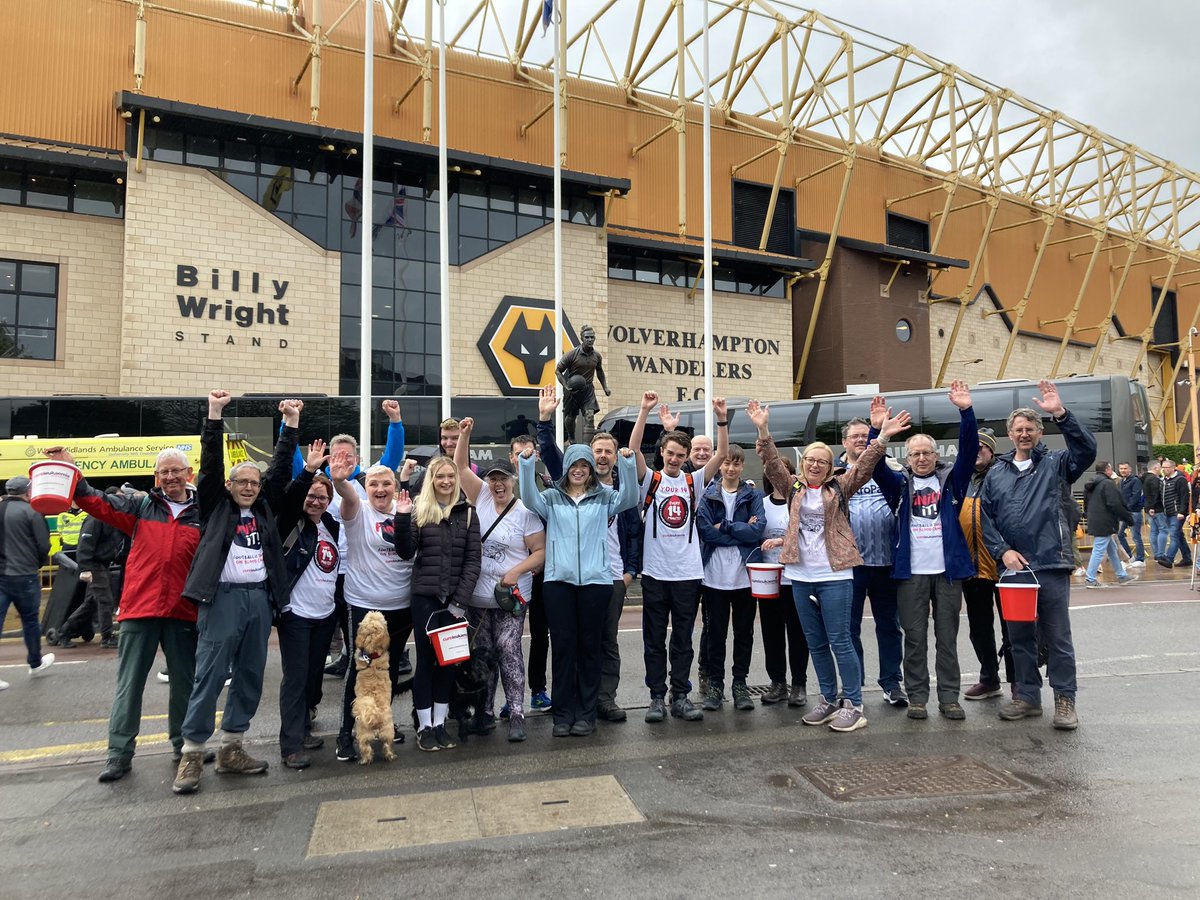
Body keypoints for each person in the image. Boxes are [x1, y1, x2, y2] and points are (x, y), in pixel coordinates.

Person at [749, 397, 910, 733]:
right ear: (803, 462)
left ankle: (853, 703)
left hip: (834, 574)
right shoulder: (792, 487)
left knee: (839, 639)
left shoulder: (841, 486)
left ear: (830, 466)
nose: (817, 465)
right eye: (811, 460)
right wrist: (763, 428)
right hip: (799, 574)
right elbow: (770, 462)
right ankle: (827, 698)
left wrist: (880, 438)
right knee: (816, 641)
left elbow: (865, 465)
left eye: (823, 461)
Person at [172, 393, 303, 795]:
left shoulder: (264, 508)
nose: (248, 487)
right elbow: (209, 462)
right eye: (241, 482)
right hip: (223, 598)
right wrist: (215, 415)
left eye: (253, 482)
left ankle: (232, 748)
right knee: (210, 676)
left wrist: (292, 424)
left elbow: (281, 470)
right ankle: (192, 754)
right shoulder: (215, 506)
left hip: (259, 600)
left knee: (249, 676)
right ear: (229, 486)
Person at [46, 446, 200, 782]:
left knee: (185, 685)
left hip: (184, 610)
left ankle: (184, 746)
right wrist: (70, 470)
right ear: (156, 478)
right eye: (164, 473)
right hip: (140, 608)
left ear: (189, 475)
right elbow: (93, 500)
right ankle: (118, 754)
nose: (170, 477)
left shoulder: (204, 512)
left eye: (176, 471)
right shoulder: (139, 506)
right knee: (129, 685)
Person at [980, 380, 1096, 731]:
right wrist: (1003, 552)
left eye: (1030, 428)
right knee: (1020, 638)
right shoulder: (996, 474)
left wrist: (1061, 412)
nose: (1024, 434)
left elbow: (1086, 450)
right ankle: (1028, 697)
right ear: (1009, 434)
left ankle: (1065, 700)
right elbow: (985, 518)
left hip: (1050, 564)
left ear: (1040, 431)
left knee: (1058, 638)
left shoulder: (1057, 463)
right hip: (1014, 570)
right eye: (1018, 429)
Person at [870, 380, 979, 721]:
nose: (920, 458)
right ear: (908, 457)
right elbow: (873, 465)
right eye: (914, 453)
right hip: (910, 574)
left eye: (926, 453)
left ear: (936, 456)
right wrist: (878, 432)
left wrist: (966, 411)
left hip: (947, 575)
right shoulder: (898, 485)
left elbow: (970, 448)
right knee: (914, 639)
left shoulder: (953, 481)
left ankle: (949, 698)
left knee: (947, 640)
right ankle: (917, 697)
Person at [518, 438, 639, 736]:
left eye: (585, 465)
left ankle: (586, 714)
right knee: (563, 649)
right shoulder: (551, 498)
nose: (580, 470)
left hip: (597, 584)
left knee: (589, 649)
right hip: (558, 583)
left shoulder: (606, 497)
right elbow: (528, 497)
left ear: (591, 470)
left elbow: (631, 498)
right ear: (567, 468)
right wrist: (525, 464)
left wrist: (626, 463)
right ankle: (563, 714)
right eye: (575, 464)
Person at [536, 385, 642, 723]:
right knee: (569, 645)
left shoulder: (612, 495)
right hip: (567, 579)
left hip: (609, 578)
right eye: (596, 450)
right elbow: (551, 457)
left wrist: (629, 573)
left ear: (613, 455)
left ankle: (601, 701)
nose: (601, 457)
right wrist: (544, 420)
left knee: (603, 645)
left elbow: (633, 525)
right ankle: (571, 707)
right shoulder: (559, 494)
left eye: (607, 451)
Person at [627, 391, 729, 724]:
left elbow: (722, 454)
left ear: (686, 457)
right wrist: (644, 411)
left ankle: (680, 695)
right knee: (654, 639)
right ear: (662, 453)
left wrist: (721, 420)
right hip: (656, 573)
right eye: (670, 453)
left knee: (683, 639)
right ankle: (656, 696)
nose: (674, 458)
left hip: (687, 573)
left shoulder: (693, 481)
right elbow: (633, 448)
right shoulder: (650, 480)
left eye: (680, 454)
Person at [454, 417, 546, 742]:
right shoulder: (479, 498)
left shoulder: (526, 512)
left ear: (512, 480)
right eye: (493, 479)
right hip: (479, 598)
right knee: (482, 654)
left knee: (508, 649)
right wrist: (465, 434)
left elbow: (540, 552)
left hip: (512, 598)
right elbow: (462, 467)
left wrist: (517, 571)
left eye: (503, 479)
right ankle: (486, 712)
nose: (498, 485)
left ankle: (517, 713)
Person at [329, 453, 414, 763]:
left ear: (396, 486)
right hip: (366, 608)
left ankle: (381, 724)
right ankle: (345, 732)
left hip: (402, 609)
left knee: (387, 670)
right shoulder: (358, 511)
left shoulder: (407, 510)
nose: (380, 489)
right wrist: (340, 480)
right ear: (366, 487)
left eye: (386, 484)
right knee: (362, 669)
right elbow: (348, 494)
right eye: (374, 484)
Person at [315, 400, 407, 680]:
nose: (344, 460)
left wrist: (395, 422)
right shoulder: (320, 482)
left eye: (349, 455)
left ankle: (390, 661)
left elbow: (392, 455)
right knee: (345, 622)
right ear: (330, 457)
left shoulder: (370, 480)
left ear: (357, 458)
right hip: (333, 566)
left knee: (379, 636)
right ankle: (350, 659)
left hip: (370, 569)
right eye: (338, 455)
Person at [395, 457, 482, 751]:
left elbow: (473, 561)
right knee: (426, 665)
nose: (445, 481)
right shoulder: (422, 510)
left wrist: (460, 601)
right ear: (431, 480)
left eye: (449, 476)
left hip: (454, 602)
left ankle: (441, 724)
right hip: (425, 599)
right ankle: (425, 726)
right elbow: (406, 552)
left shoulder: (468, 513)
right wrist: (402, 517)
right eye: (439, 476)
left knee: (448, 664)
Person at [275, 441, 340, 770]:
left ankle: (303, 728)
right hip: (296, 615)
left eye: (322, 497)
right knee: (296, 678)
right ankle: (291, 745)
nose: (316, 501)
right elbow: (290, 499)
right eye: (312, 496)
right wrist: (309, 471)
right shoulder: (291, 521)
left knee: (313, 677)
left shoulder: (330, 526)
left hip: (324, 616)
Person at [838, 417, 906, 708]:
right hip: (850, 564)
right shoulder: (836, 473)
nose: (860, 440)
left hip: (886, 562)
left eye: (865, 435)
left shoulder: (891, 469)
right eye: (854, 436)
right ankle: (854, 688)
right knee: (849, 628)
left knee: (889, 626)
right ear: (844, 442)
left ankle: (892, 683)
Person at [696, 446, 765, 712]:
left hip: (744, 577)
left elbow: (756, 532)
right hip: (713, 578)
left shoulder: (752, 495)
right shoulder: (708, 495)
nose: (731, 469)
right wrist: (741, 528)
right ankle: (715, 684)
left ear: (742, 466)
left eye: (736, 464)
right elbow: (705, 532)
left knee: (744, 633)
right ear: (720, 465)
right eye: (726, 463)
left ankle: (740, 683)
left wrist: (724, 525)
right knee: (715, 634)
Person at [960, 428, 1015, 701]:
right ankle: (989, 679)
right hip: (972, 568)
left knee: (1012, 628)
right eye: (973, 446)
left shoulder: (1003, 475)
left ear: (992, 451)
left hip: (1004, 564)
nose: (978, 450)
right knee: (979, 628)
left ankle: (1019, 684)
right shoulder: (960, 479)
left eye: (983, 447)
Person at [756, 456, 811, 708]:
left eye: (784, 471)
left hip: (795, 577)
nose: (778, 476)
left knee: (798, 633)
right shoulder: (762, 504)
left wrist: (783, 542)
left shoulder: (799, 502)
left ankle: (799, 684)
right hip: (768, 579)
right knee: (771, 633)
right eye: (773, 471)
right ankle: (777, 682)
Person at [0, 476, 54, 691]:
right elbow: (43, 545)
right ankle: (35, 662)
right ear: (28, 491)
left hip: (1, 575)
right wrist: (37, 563)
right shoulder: (32, 513)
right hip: (25, 575)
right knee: (30, 621)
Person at [58, 491, 124, 649]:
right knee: (105, 601)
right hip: (95, 565)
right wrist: (86, 568)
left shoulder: (108, 517)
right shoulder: (96, 518)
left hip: (101, 564)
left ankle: (64, 632)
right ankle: (107, 637)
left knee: (91, 603)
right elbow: (85, 544)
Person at [1083, 462, 1136, 589]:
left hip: (1095, 519)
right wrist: (1128, 518)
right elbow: (1115, 504)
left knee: (1111, 548)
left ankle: (1121, 575)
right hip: (1106, 521)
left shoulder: (1091, 484)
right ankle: (1090, 578)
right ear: (1107, 470)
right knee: (1099, 549)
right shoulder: (1108, 484)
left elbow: (1086, 502)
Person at [556, 323, 611, 442]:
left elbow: (600, 371)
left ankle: (587, 445)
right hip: (572, 390)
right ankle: (571, 438)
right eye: (587, 337)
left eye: (592, 337)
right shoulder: (572, 354)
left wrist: (605, 387)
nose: (590, 340)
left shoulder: (597, 356)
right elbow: (558, 371)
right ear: (582, 338)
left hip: (588, 389)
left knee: (590, 416)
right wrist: (566, 386)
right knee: (570, 418)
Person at [1159, 459, 1191, 568]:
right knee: (1179, 535)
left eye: (1167, 467)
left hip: (1177, 513)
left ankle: (1169, 558)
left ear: (1173, 468)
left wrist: (1182, 511)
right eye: (1163, 467)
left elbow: (1184, 496)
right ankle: (1187, 558)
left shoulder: (1180, 480)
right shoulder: (1163, 480)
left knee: (1174, 534)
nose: (1164, 469)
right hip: (1167, 512)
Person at [1116, 462, 1146, 567]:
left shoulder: (1135, 480)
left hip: (1133, 512)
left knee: (1136, 536)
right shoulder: (1121, 481)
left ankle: (1141, 558)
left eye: (1125, 468)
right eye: (1121, 468)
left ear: (1130, 469)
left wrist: (1127, 508)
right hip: (1124, 512)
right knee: (1119, 535)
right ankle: (1129, 556)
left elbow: (1135, 495)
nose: (1123, 470)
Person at [1143, 460, 1166, 565]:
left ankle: (1156, 553)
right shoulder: (1154, 479)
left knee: (1153, 531)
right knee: (1163, 530)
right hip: (1157, 508)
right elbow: (1156, 494)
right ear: (1156, 468)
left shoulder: (1144, 478)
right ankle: (1161, 554)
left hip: (1148, 508)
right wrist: (1153, 506)